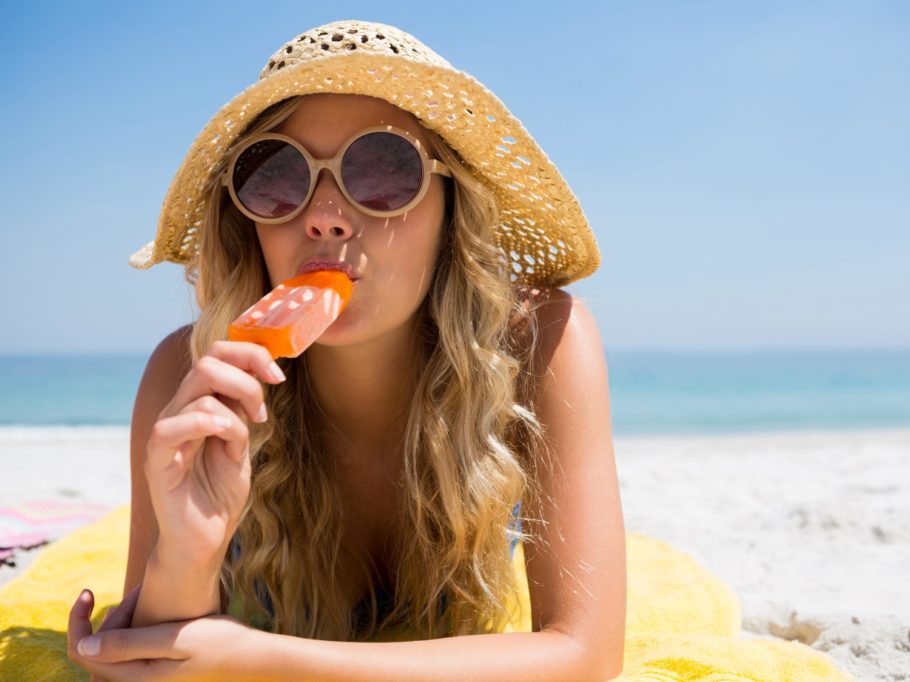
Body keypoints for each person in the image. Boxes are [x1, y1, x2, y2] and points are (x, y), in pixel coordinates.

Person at [67, 19, 625, 681]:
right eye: (275, 176)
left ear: (452, 206)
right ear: (246, 219)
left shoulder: (541, 345)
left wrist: (257, 660)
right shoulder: (187, 377)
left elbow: (585, 655)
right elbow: (156, 665)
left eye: (383, 170)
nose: (325, 215)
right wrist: (186, 555)